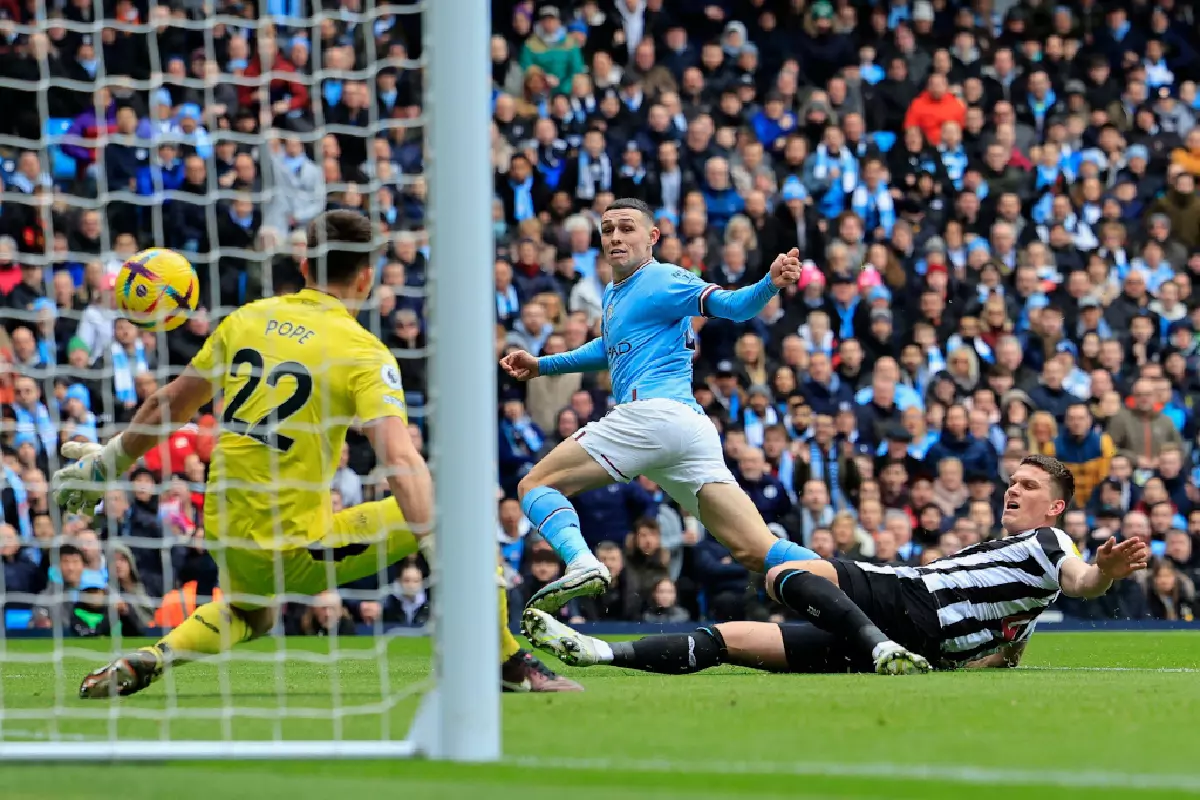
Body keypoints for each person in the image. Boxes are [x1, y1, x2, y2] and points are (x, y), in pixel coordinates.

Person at [55, 211, 575, 697]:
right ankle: (507, 663)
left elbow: (169, 402)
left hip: (222, 527)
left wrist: (107, 464)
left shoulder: (247, 319)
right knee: (461, 513)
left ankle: (155, 655)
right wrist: (436, 544)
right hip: (292, 545)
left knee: (250, 614)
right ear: (367, 279)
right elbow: (398, 456)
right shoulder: (363, 351)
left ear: (304, 266)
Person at [524, 455, 1149, 675]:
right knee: (736, 641)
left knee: (784, 573)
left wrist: (1106, 575)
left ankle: (875, 646)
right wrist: (985, 658)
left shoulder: (1052, 545)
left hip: (908, 601)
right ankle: (600, 653)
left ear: (1057, 506)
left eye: (1028, 486)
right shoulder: (1019, 570)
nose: (1012, 491)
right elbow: (1010, 644)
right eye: (1011, 482)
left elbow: (1081, 581)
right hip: (918, 643)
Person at [500, 197, 824, 614]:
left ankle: (581, 562)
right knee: (756, 549)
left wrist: (770, 283)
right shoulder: (618, 294)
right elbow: (609, 348)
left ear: (653, 236)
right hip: (687, 428)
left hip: (651, 415)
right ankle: (860, 586)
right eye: (608, 229)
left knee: (535, 485)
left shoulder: (663, 279)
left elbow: (733, 306)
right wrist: (543, 365)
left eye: (627, 227)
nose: (615, 236)